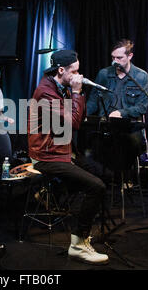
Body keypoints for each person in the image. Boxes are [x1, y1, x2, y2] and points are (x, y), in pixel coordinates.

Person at [28, 50, 108, 264]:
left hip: (61, 152)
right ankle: (79, 245)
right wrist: (77, 91)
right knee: (96, 186)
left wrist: (75, 93)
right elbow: (72, 123)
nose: (78, 75)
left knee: (99, 173)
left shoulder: (58, 87)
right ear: (61, 70)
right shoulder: (46, 92)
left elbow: (76, 121)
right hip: (47, 157)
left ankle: (79, 233)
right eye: (75, 71)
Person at [86, 39, 148, 171]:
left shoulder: (141, 76)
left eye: (119, 58)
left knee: (131, 143)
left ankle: (121, 178)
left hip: (129, 125)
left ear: (130, 56)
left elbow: (142, 107)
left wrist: (122, 113)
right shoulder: (104, 74)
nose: (115, 61)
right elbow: (93, 101)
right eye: (113, 57)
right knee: (93, 143)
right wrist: (82, 113)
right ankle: (106, 179)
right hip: (106, 124)